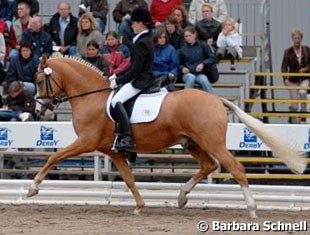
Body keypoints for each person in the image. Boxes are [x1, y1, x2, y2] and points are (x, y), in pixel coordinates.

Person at [108, 7, 154, 151]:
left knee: (116, 100)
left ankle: (127, 137)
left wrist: (119, 81)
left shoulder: (141, 42)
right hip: (142, 76)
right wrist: (117, 75)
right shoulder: (145, 39)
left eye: (133, 22)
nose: (131, 25)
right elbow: (133, 66)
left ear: (140, 23)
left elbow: (136, 70)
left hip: (141, 80)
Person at [281, 29, 310, 124]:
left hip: (304, 78)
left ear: (301, 39)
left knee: (303, 92)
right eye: (295, 38)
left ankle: (303, 115)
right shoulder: (287, 52)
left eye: (298, 38)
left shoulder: (307, 50)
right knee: (294, 104)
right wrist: (285, 80)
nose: (297, 40)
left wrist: (305, 69)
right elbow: (284, 67)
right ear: (292, 39)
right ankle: (293, 120)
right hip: (293, 80)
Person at [179, 26, 216, 93]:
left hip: (200, 73)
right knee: (191, 78)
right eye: (186, 36)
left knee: (205, 81)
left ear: (194, 34)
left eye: (190, 35)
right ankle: (185, 99)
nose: (188, 38)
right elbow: (178, 62)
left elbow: (212, 57)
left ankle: (211, 99)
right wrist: (182, 68)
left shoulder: (203, 45)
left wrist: (203, 64)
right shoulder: (182, 48)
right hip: (188, 74)